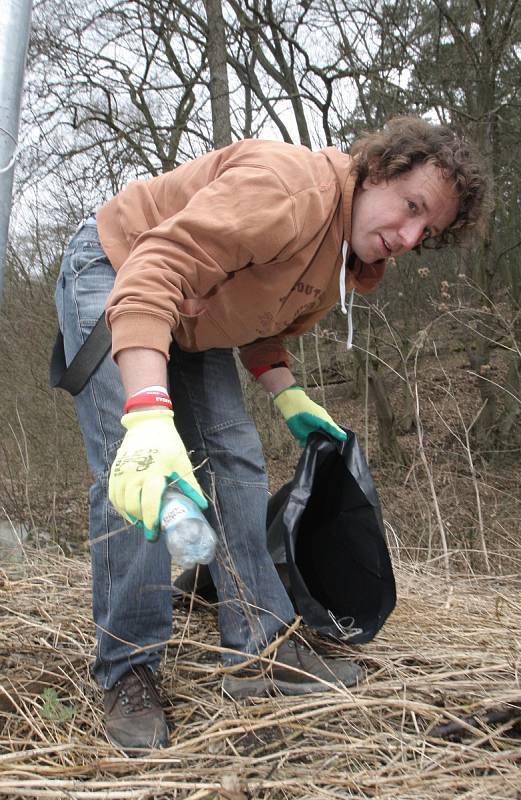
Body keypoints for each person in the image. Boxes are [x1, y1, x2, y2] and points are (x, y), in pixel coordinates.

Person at [54, 116, 489, 754]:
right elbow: (157, 268)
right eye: (412, 207)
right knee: (142, 472)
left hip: (193, 306)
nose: (409, 235)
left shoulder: (349, 253)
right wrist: (148, 410)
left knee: (235, 454)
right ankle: (128, 669)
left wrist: (285, 390)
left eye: (428, 231)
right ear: (378, 169)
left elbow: (253, 310)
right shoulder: (291, 190)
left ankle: (262, 652)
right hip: (120, 264)